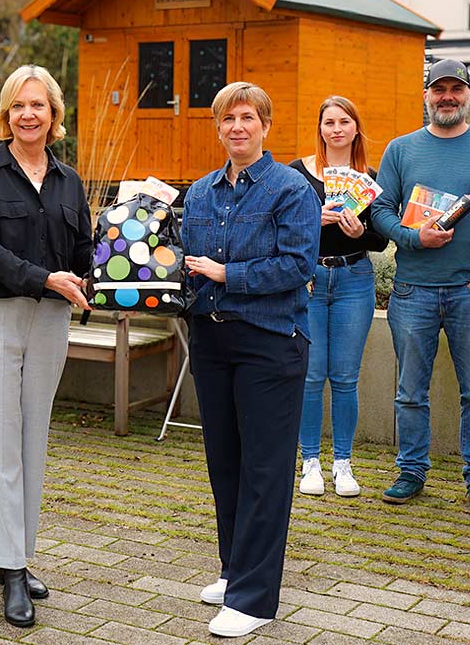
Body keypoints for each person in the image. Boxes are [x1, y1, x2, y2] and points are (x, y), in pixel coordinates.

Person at [183, 81, 319, 638]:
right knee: (226, 463)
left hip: (270, 341)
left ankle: (255, 600)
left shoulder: (291, 189)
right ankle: (234, 570)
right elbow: (182, 265)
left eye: (247, 118)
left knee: (265, 470)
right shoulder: (199, 192)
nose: (237, 127)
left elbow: (296, 265)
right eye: (227, 120)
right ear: (218, 129)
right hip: (212, 341)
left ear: (265, 125)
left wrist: (225, 274)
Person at [0, 64, 91, 628]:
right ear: (6, 115)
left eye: (38, 105)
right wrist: (45, 279)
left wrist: (105, 278)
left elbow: (84, 247)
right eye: (18, 106)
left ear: (54, 115)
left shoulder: (69, 180)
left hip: (51, 319)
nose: (28, 115)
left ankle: (15, 553)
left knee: (32, 437)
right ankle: (9, 569)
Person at [367, 59, 470, 511]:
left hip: (469, 294)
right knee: (410, 391)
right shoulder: (400, 149)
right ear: (426, 95)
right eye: (439, 89)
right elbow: (380, 211)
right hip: (413, 290)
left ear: (469, 95)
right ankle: (411, 471)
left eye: (456, 89)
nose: (447, 97)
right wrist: (414, 237)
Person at [289, 96, 387, 498]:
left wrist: (358, 233)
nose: (337, 129)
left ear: (355, 129)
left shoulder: (371, 177)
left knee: (345, 378)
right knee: (311, 376)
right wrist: (315, 220)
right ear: (320, 128)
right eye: (329, 122)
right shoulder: (298, 173)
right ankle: (309, 461)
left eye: (344, 122)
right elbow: (284, 230)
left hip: (354, 278)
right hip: (309, 280)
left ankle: (342, 464)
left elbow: (382, 239)